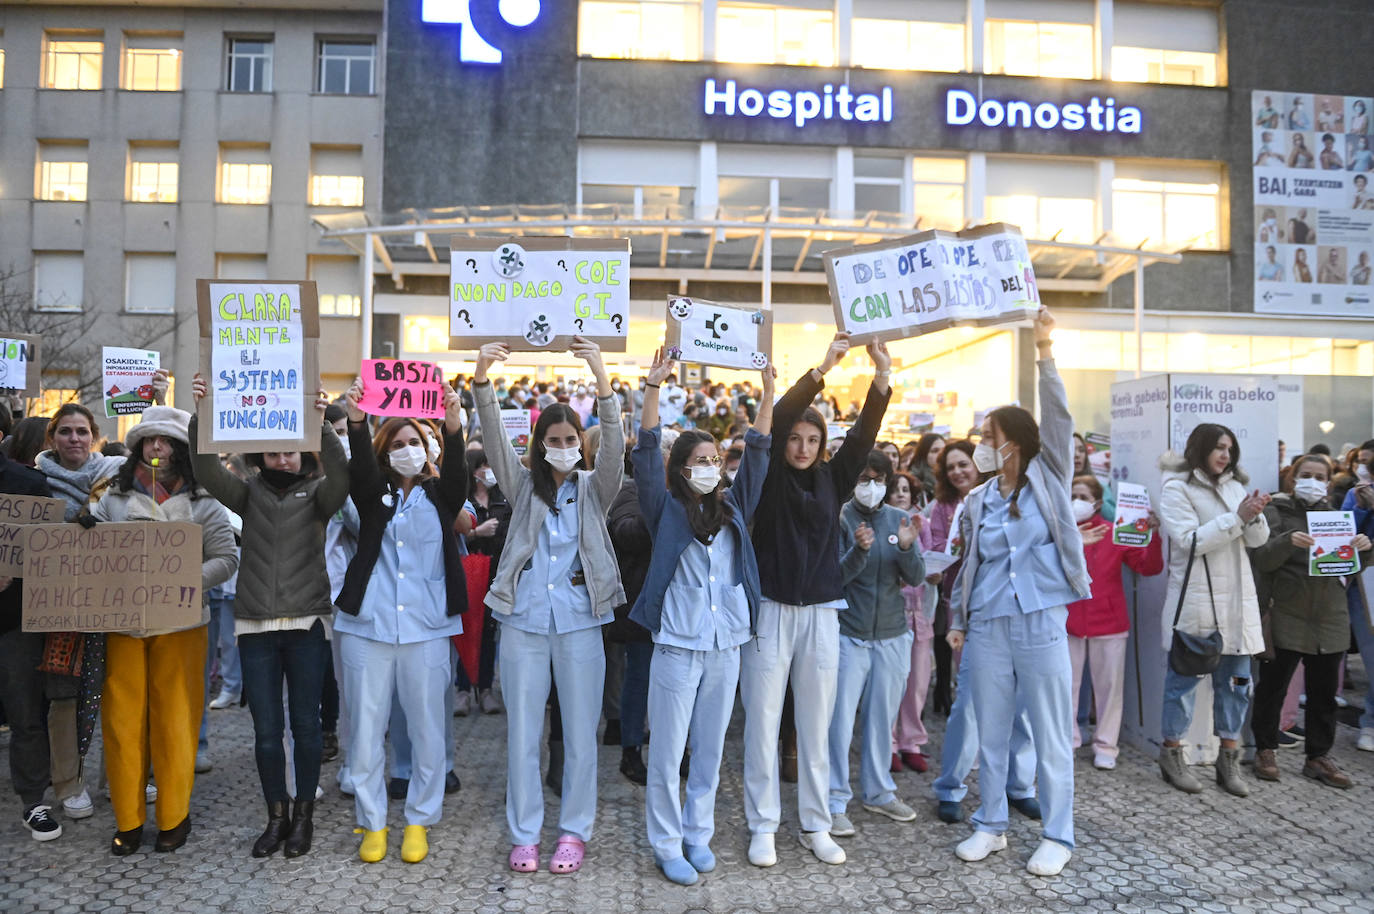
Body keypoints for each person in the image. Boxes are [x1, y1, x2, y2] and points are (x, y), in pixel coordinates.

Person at [473, 336, 625, 876]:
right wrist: (483, 379)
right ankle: (524, 835)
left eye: (569, 439)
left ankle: (573, 832)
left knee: (582, 734)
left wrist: (600, 373)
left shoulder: (593, 488)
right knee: (522, 736)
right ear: (538, 444)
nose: (562, 446)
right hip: (523, 622)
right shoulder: (522, 487)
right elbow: (493, 445)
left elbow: (615, 447)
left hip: (582, 624)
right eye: (552, 439)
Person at [742, 332, 892, 869]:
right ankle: (762, 825)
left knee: (816, 723)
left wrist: (879, 378)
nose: (802, 446)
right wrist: (823, 368)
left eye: (812, 439)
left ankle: (815, 824)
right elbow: (779, 417)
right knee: (761, 721)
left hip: (823, 614)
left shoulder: (835, 477)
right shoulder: (768, 477)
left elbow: (866, 434)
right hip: (770, 611)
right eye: (796, 438)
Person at [945, 309, 1084, 878]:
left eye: (988, 438)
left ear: (1014, 443)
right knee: (991, 727)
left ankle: (1058, 833)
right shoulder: (979, 499)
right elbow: (969, 566)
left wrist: (1045, 350)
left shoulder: (1049, 477)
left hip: (1041, 619)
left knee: (1050, 730)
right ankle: (992, 824)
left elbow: (1059, 416)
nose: (981, 446)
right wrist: (958, 618)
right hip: (988, 623)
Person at [632, 349, 773, 886]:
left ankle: (698, 835)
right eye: (701, 461)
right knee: (667, 752)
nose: (711, 467)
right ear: (682, 468)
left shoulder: (734, 507)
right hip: (676, 645)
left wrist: (765, 391)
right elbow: (645, 456)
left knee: (710, 749)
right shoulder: (664, 507)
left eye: (716, 459)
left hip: (726, 644)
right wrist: (651, 388)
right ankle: (667, 844)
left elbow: (757, 455)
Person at [190, 374, 346, 858]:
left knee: (305, 725)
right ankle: (274, 816)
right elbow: (206, 469)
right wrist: (204, 410)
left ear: (303, 453)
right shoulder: (248, 494)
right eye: (275, 452)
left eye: (291, 451)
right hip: (255, 626)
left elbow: (343, 477)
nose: (283, 459)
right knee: (264, 731)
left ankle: (304, 817)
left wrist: (322, 423)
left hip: (306, 626)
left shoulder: (320, 494)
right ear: (261, 455)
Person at [93, 406, 238, 855]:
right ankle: (129, 819)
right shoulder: (112, 501)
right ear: (137, 446)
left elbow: (227, 558)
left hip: (181, 625)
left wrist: (183, 580)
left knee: (176, 721)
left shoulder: (205, 502)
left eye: (167, 441)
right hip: (124, 628)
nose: (157, 448)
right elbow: (90, 553)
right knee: (121, 723)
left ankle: (174, 816)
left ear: (182, 449)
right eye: (150, 440)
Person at [334, 383, 469, 865]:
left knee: (428, 729)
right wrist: (355, 419)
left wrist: (452, 422)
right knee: (366, 732)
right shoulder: (375, 496)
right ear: (384, 454)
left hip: (428, 628)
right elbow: (360, 473)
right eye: (397, 444)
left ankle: (418, 820)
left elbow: (458, 473)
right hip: (368, 627)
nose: (407, 450)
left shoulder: (441, 494)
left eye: (415, 442)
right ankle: (372, 823)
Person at [1155, 424, 1270, 798]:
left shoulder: (1236, 486)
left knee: (1237, 687)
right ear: (1200, 448)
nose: (1225, 455)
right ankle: (1172, 755)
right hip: (1197, 604)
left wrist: (1253, 515)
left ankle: (1229, 761)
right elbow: (1190, 542)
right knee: (1183, 685)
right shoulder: (1176, 488)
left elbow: (1258, 539)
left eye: (1230, 449)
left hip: (1237, 605)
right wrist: (1237, 517)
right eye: (1219, 448)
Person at [1251, 455, 1369, 788]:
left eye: (1320, 476)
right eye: (1306, 475)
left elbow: (1348, 566)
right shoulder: (1275, 510)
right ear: (1293, 478)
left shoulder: (1335, 517)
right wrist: (1286, 541)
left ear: (1328, 483)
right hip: (1288, 610)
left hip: (1329, 615)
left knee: (1324, 694)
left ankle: (1318, 756)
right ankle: (1265, 749)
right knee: (1273, 687)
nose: (1312, 481)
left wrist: (1363, 547)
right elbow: (1262, 559)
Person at [33, 403, 126, 824]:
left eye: (82, 431)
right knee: (64, 698)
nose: (75, 439)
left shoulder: (118, 478)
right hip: (61, 609)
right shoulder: (35, 483)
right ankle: (68, 783)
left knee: (119, 691)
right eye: (66, 431)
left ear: (95, 436)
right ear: (52, 438)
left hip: (112, 603)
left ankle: (120, 776)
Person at [827, 450, 924, 839]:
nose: (872, 486)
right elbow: (833, 577)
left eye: (878, 478)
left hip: (892, 635)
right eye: (864, 478)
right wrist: (858, 551)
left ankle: (879, 791)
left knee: (881, 719)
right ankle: (834, 799)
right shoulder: (839, 517)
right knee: (838, 722)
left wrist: (905, 547)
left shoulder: (898, 519)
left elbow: (915, 577)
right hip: (848, 635)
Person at [1066, 475, 1163, 770]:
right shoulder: (1062, 534)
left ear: (1097, 502)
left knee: (1109, 688)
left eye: (1082, 496)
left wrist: (1153, 535)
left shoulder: (1115, 532)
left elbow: (1148, 566)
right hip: (1067, 620)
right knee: (1065, 686)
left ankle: (1106, 745)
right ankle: (1066, 741)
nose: (1076, 502)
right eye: (1072, 495)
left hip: (1109, 622)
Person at [0, 447, 62, 841]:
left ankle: (33, 800)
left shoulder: (29, 485)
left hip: (15, 621)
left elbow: (50, 555)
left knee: (25, 713)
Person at [886, 470, 935, 773]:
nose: (902, 494)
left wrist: (935, 572)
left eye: (906, 489)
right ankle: (888, 742)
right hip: (893, 613)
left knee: (918, 682)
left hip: (921, 613)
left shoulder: (923, 524)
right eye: (895, 489)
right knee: (893, 681)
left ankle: (911, 741)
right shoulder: (884, 523)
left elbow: (930, 558)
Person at [459, 448, 511, 715]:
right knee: (466, 629)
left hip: (494, 571)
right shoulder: (462, 499)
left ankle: (486, 688)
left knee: (489, 631)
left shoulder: (503, 499)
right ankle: (464, 688)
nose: (488, 470)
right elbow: (453, 534)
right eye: (483, 466)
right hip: (468, 569)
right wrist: (476, 532)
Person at [1342, 455, 1374, 752]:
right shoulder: (1357, 494)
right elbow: (1340, 534)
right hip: (1366, 586)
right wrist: (1364, 509)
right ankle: (1371, 722)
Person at [911, 433, 945, 500]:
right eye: (935, 451)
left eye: (943, 450)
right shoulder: (912, 482)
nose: (941, 454)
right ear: (924, 455)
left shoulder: (952, 479)